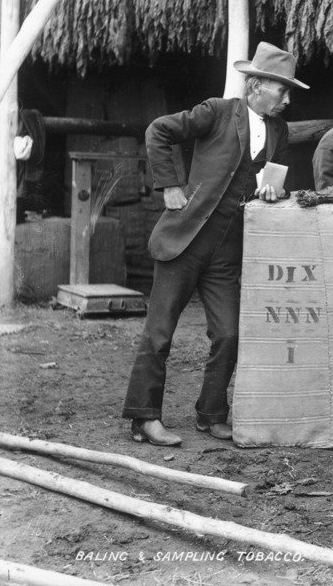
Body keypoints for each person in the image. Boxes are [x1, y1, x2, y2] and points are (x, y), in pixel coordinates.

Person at [122, 42, 309, 446]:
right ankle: (144, 418)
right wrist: (169, 184)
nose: (287, 100)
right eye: (282, 90)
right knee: (160, 333)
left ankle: (210, 415)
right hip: (184, 241)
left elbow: (269, 178)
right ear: (257, 84)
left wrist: (272, 192)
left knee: (229, 334)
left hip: (226, 251)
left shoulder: (280, 131)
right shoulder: (218, 112)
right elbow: (158, 130)